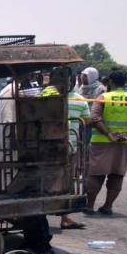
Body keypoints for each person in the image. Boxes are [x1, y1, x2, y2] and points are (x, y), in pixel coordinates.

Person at [85, 70, 127, 215]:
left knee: (95, 175)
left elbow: (95, 118)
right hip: (123, 144)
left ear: (110, 82)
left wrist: (108, 133)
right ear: (126, 83)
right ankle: (108, 206)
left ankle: (89, 206)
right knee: (117, 174)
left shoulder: (104, 97)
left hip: (102, 142)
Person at [40, 68, 89, 229]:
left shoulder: (79, 99)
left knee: (66, 182)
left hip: (70, 146)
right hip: (50, 146)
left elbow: (87, 121)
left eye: (67, 78)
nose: (64, 82)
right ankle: (38, 215)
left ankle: (65, 217)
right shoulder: (47, 94)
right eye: (60, 78)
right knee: (47, 180)